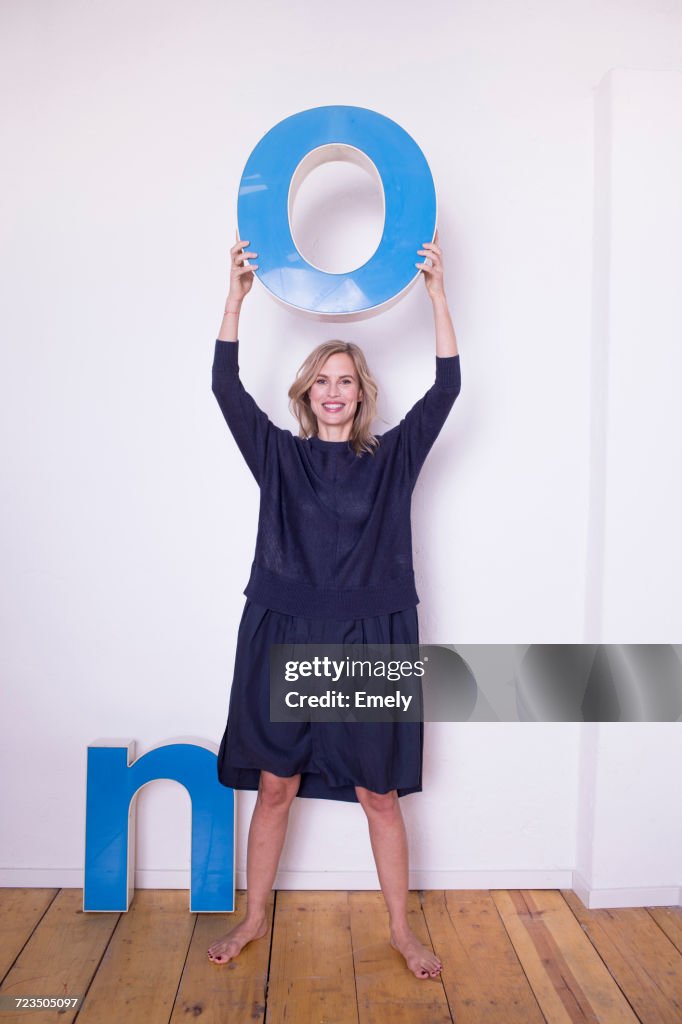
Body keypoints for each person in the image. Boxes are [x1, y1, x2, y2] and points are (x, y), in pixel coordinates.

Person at [207, 228, 461, 980]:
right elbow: (224, 388)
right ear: (307, 393)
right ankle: (254, 917)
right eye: (323, 379)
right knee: (276, 783)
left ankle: (400, 931)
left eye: (346, 380)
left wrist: (439, 296)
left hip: (371, 634)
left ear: (361, 393)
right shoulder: (280, 457)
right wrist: (236, 298)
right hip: (284, 626)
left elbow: (447, 389)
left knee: (378, 794)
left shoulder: (392, 460)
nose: (334, 390)